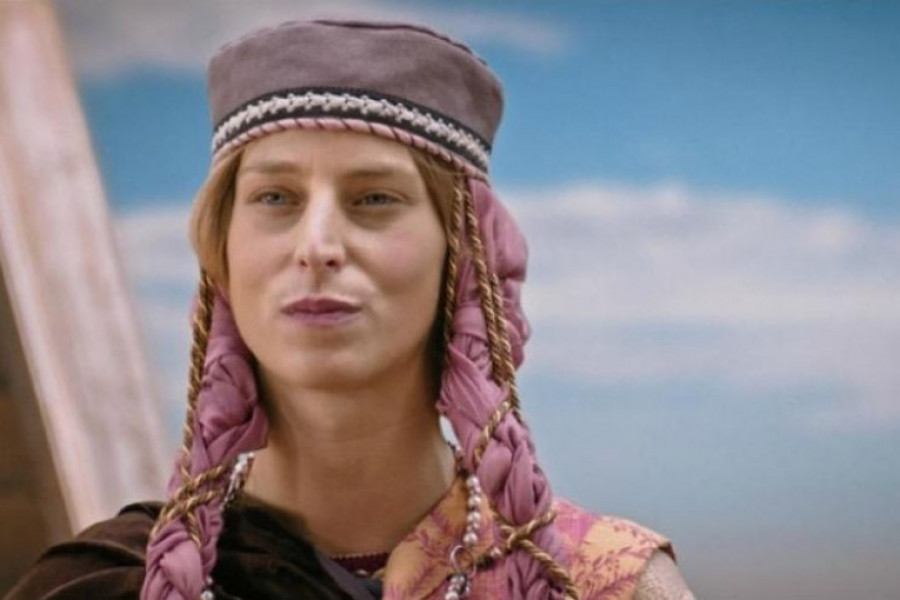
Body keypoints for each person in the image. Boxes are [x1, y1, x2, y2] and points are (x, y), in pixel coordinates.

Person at [5, 20, 695, 600]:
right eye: (275, 198)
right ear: (222, 252)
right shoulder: (98, 587)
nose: (317, 246)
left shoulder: (602, 585)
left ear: (465, 257)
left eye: (374, 199)